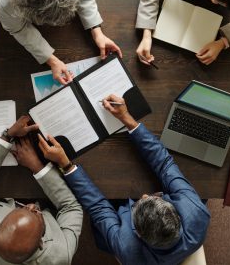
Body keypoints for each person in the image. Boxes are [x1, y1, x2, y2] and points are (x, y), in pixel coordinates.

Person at [37, 95, 211, 264]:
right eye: (153, 198)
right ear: (175, 212)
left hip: (126, 231)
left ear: (139, 235)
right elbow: (165, 165)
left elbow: (98, 208)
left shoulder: (128, 249)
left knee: (101, 218)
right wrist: (127, 119)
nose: (143, 196)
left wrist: (65, 164)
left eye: (140, 202)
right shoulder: (197, 213)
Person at [0, 116, 83, 265]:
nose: (32, 206)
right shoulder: (61, 254)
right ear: (41, 242)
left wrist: (7, 136)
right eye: (35, 213)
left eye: (22, 209)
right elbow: (71, 207)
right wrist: (37, 166)